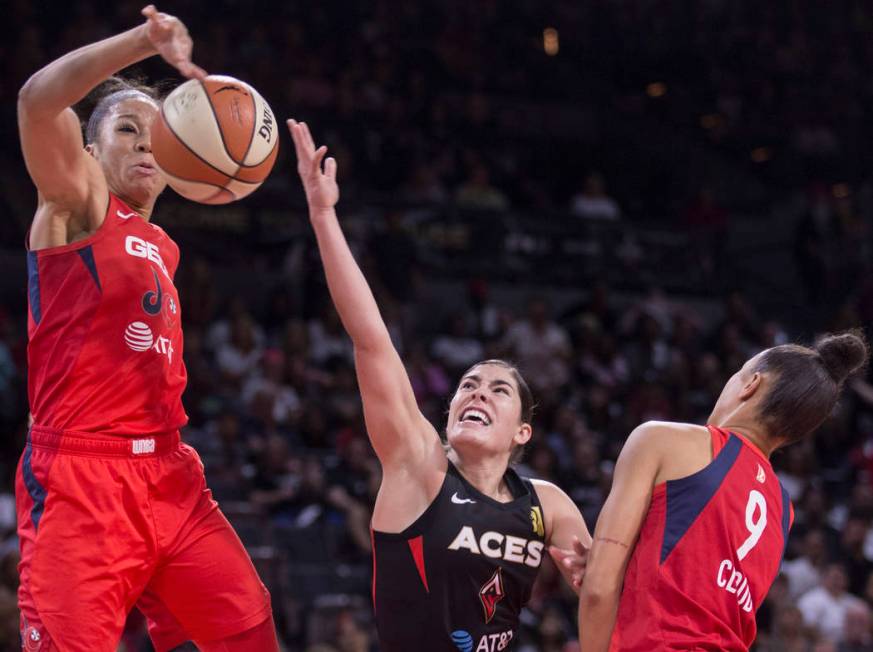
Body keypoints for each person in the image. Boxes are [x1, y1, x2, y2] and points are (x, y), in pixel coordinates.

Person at [16, 6, 278, 651]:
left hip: (170, 475)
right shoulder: (76, 204)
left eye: (155, 134)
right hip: (82, 482)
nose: (143, 143)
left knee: (250, 630)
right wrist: (143, 42)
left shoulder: (161, 243)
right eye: (127, 130)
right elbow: (36, 101)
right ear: (87, 151)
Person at [287, 119, 592, 651]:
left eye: (498, 390)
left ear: (523, 431)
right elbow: (371, 340)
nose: (477, 392)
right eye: (468, 385)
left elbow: (598, 591)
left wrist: (594, 574)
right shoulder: (418, 463)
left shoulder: (548, 503)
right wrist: (323, 216)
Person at [578, 332, 869, 651]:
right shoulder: (784, 510)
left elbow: (598, 589)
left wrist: (599, 569)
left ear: (750, 384)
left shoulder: (661, 439)